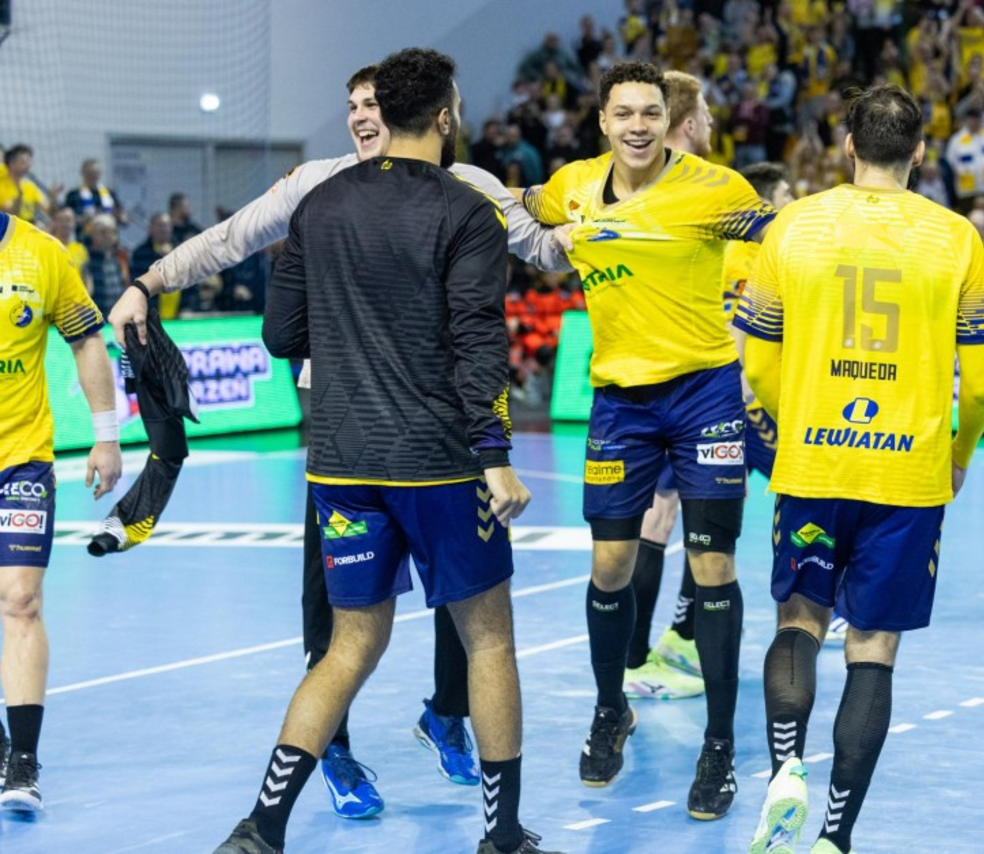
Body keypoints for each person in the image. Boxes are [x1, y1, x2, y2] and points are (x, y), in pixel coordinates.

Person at [108, 64, 572, 819]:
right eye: (351, 104)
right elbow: (227, 241)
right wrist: (149, 281)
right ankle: (345, 754)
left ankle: (438, 719)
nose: (361, 115)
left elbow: (546, 249)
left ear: (399, 110)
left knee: (435, 614)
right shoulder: (316, 186)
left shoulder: (466, 189)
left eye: (372, 103)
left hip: (387, 440)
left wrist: (609, 217)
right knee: (358, 610)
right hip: (377, 431)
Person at [737, 85, 984, 854]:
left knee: (799, 621)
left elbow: (757, 366)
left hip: (813, 465)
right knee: (873, 648)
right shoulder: (956, 238)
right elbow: (982, 386)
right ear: (920, 152)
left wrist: (798, 426)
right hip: (907, 477)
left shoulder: (793, 225)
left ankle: (784, 773)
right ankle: (835, 837)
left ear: (848, 146)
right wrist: (957, 454)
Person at [523, 60, 776, 820]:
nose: (638, 126)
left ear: (671, 120)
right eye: (625, 113)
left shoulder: (716, 189)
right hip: (619, 403)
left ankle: (720, 744)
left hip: (705, 395)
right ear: (603, 121)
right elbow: (517, 207)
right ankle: (612, 709)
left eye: (651, 113)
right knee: (610, 566)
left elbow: (784, 239)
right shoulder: (570, 185)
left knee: (713, 564)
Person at [0, 209, 122, 811]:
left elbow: (87, 340)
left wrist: (107, 437)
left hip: (20, 460)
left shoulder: (42, 252)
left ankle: (22, 761)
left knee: (21, 599)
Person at [620, 69, 718, 705]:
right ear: (685, 123)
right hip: (676, 382)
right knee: (662, 519)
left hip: (669, 381)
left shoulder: (644, 185)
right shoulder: (689, 192)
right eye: (704, 114)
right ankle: (640, 659)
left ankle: (667, 644)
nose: (711, 123)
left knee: (669, 515)